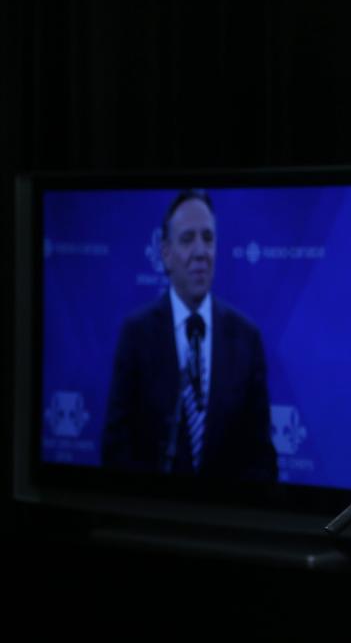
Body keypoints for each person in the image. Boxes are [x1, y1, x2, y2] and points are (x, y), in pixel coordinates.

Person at [102, 189, 278, 482]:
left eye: (208, 238)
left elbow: (261, 457)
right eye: (187, 239)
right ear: (165, 253)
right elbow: (115, 449)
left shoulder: (247, 338)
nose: (200, 252)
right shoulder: (136, 334)